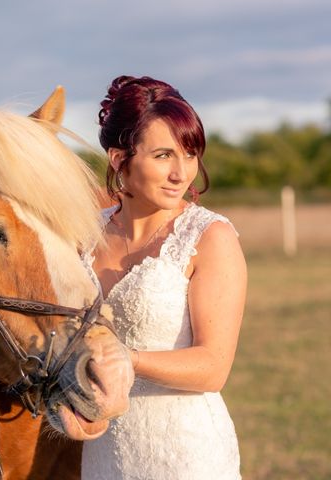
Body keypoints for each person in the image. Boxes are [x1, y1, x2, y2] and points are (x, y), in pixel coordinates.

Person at [81, 76, 247, 479]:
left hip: (185, 452)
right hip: (102, 452)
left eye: (189, 155)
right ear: (120, 158)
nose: (181, 173)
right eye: (162, 155)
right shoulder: (82, 235)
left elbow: (213, 367)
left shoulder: (210, 237)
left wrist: (129, 360)